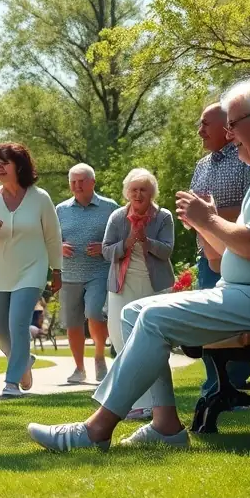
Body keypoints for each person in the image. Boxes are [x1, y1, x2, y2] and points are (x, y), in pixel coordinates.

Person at [27, 74, 250, 452]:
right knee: (133, 312)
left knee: (153, 317)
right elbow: (233, 253)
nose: (229, 136)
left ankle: (95, 430)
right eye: (227, 126)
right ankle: (165, 425)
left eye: (233, 125)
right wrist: (204, 223)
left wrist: (209, 220)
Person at [0, 143, 62, 397]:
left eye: (5, 162)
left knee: (18, 324)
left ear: (19, 166)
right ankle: (24, 361)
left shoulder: (40, 198)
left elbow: (53, 237)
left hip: (31, 271)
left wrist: (57, 270)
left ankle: (11, 382)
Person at [190, 103, 250, 397]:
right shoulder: (201, 166)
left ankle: (234, 384)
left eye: (205, 124)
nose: (200, 130)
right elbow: (197, 208)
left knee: (234, 324)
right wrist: (195, 217)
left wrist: (209, 217)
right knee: (206, 325)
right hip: (207, 255)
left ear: (226, 129)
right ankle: (215, 385)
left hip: (238, 253)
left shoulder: (246, 159)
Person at [102, 168, 175, 420]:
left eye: (143, 189)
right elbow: (106, 251)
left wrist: (146, 242)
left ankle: (152, 405)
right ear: (127, 193)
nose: (138, 194)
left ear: (152, 192)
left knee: (150, 344)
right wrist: (129, 241)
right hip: (121, 286)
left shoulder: (163, 217)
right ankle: (129, 402)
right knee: (121, 341)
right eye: (134, 189)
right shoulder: (117, 217)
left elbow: (166, 251)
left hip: (154, 287)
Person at [52, 163, 118, 385]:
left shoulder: (110, 208)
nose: (77, 186)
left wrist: (103, 248)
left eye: (81, 181)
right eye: (73, 182)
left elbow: (122, 238)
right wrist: (58, 247)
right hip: (69, 274)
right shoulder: (60, 209)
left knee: (95, 312)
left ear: (92, 182)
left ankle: (99, 357)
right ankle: (79, 368)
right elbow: (48, 239)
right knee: (72, 323)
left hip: (99, 271)